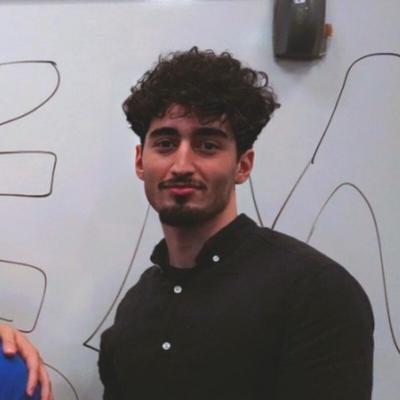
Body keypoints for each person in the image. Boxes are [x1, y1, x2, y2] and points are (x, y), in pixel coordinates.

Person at [0, 47, 374, 400]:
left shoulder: (312, 290)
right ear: (140, 161)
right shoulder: (136, 309)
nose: (181, 164)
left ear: (243, 165)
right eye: (165, 143)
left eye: (207, 145)